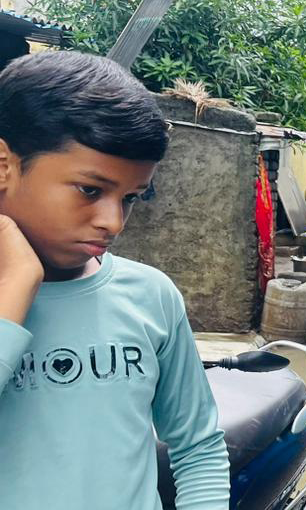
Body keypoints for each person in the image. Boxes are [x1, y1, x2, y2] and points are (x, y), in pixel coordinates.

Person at [0, 51, 230, 509]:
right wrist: (18, 285)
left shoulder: (151, 296)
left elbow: (198, 445)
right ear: (5, 166)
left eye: (130, 198)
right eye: (90, 190)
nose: (113, 222)